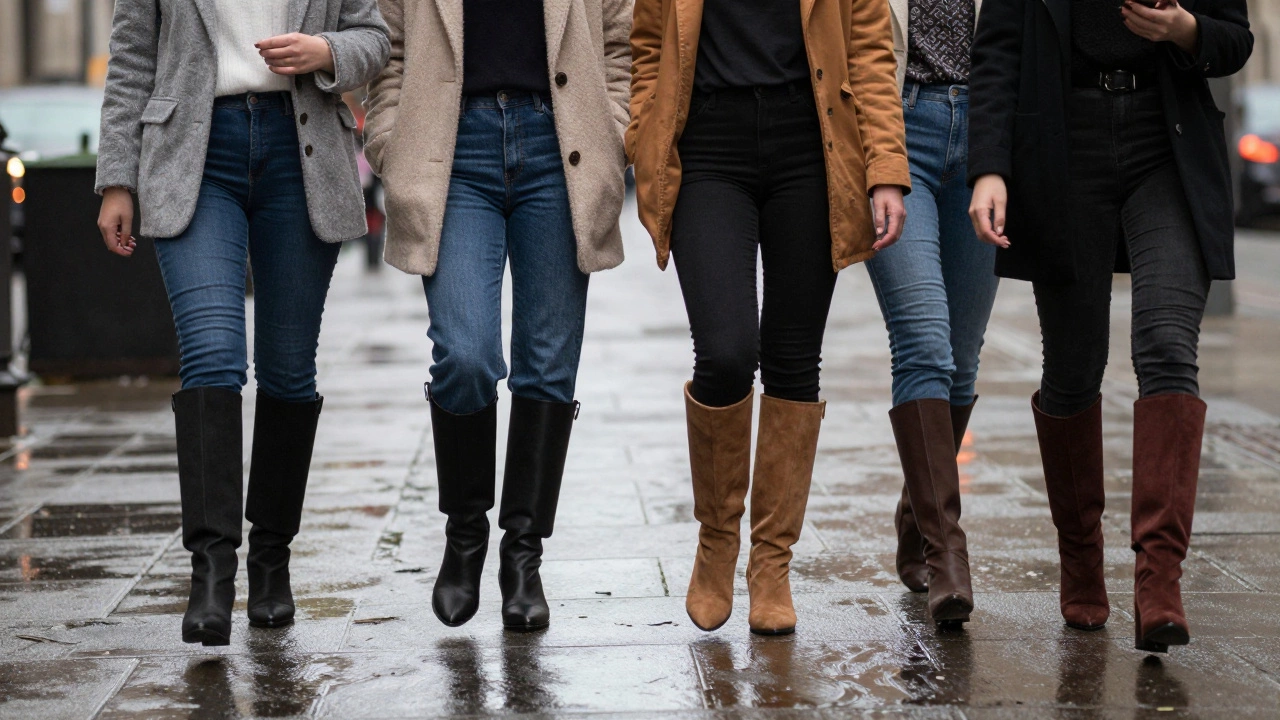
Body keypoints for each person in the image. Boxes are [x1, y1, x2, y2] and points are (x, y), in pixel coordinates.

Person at [95, 0, 389, 645]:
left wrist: (328, 54)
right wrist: (117, 178)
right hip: (192, 156)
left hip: (301, 149)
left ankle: (271, 559)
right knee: (213, 355)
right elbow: (132, 60)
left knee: (288, 368)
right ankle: (211, 570)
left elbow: (376, 36)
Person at [968, 0, 1251, 651]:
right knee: (1072, 368)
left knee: (1168, 345)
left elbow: (1234, 39)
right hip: (1063, 146)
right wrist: (990, 165)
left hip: (1167, 141)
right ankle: (1081, 559)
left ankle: (1160, 581)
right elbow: (998, 53)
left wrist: (1186, 30)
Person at [628, 0, 909, 635]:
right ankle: (717, 539)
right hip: (708, 146)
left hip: (812, 143)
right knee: (725, 353)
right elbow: (648, 43)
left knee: (792, 357)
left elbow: (868, 49)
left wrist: (886, 169)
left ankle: (772, 565)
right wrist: (644, 132)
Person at [363, 0, 632, 632]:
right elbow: (389, 50)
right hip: (452, 153)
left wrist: (612, 133)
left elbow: (622, 43)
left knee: (547, 363)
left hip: (560, 148)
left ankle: (523, 556)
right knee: (465, 353)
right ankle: (464, 536)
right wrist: (392, 144)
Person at [873, 0, 997, 626]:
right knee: (925, 344)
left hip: (985, 136)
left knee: (964, 361)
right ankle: (949, 552)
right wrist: (872, 158)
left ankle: (916, 515)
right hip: (897, 131)